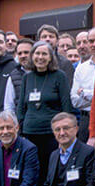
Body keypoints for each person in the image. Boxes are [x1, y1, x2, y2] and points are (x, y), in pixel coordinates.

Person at [16, 41, 73, 173]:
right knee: (32, 169)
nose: (40, 57)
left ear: (50, 57)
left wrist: (64, 132)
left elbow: (66, 107)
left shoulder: (59, 76)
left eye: (44, 54)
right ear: (32, 56)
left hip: (52, 134)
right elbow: (21, 107)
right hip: (30, 133)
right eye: (37, 53)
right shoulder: (27, 77)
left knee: (51, 170)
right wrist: (20, 131)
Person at [70, 27, 95, 140]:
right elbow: (74, 100)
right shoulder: (81, 68)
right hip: (86, 120)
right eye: (91, 41)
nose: (94, 44)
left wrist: (84, 93)